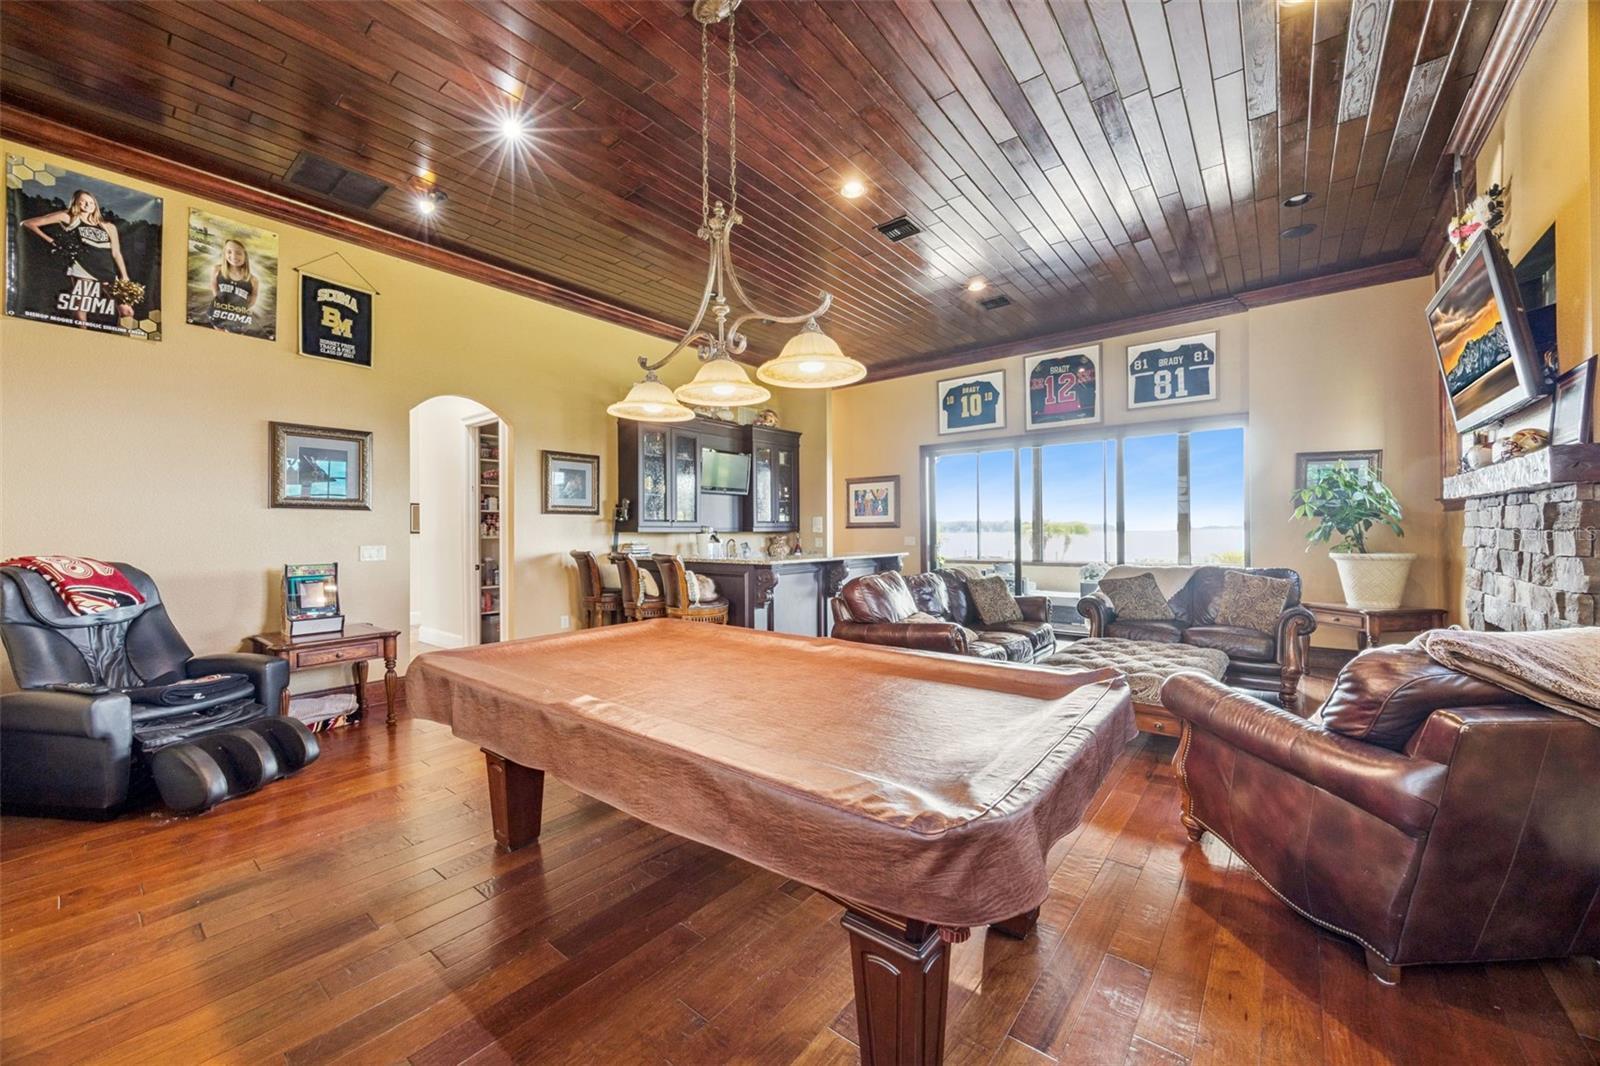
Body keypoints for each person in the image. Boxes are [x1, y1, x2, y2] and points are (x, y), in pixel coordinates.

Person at [19, 189, 135, 326]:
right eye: (83, 202)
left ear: (95, 204)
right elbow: (28, 223)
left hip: (106, 270)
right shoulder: (69, 217)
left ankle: (120, 338)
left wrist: (124, 276)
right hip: (83, 267)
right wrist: (52, 241)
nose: (87, 205)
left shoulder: (108, 227)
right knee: (81, 312)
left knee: (127, 311)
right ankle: (81, 337)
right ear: (76, 203)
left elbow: (116, 253)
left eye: (91, 202)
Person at [209, 237, 258, 331]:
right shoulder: (217, 270)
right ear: (224, 254)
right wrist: (217, 300)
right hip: (218, 312)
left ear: (245, 256)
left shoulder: (253, 280)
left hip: (237, 316)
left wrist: (243, 308)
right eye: (229, 252)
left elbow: (254, 296)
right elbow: (213, 284)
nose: (234, 256)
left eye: (238, 253)